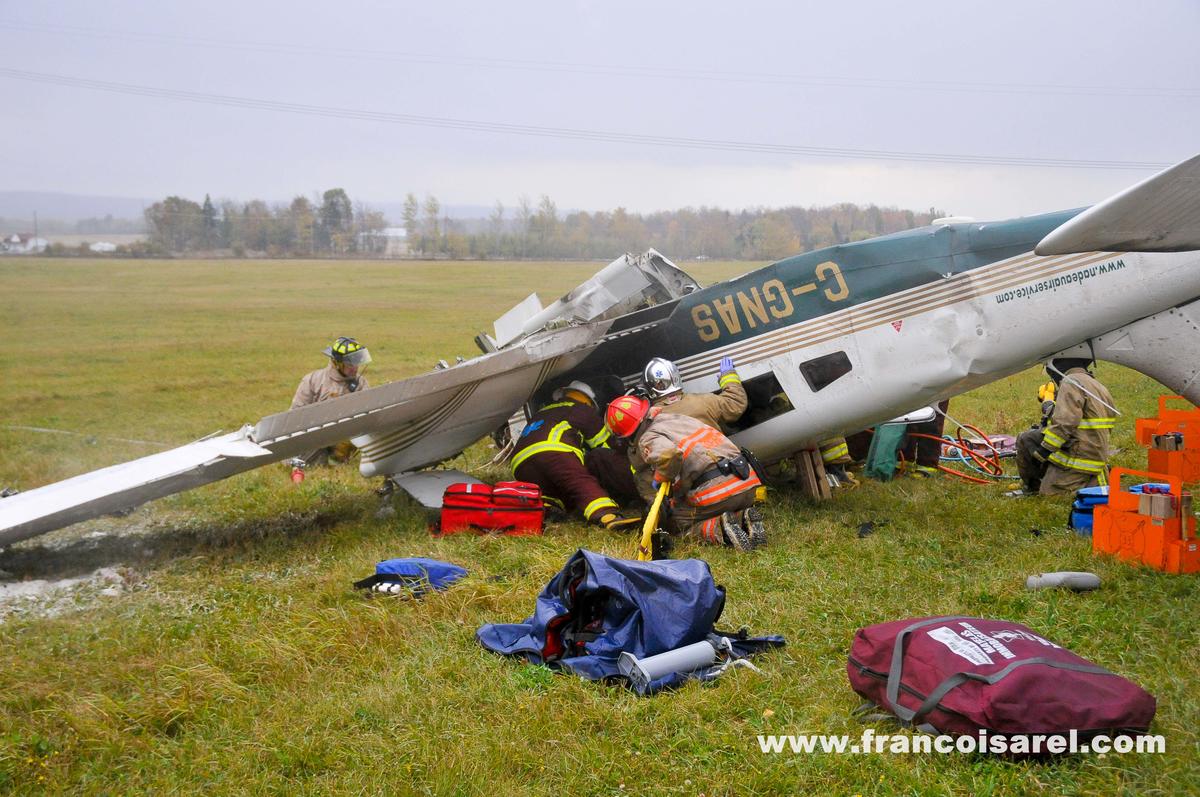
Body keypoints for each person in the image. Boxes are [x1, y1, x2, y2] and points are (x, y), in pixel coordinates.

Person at [605, 394, 765, 551]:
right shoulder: (677, 418)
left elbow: (669, 455)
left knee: (677, 524)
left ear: (626, 436)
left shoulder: (647, 437)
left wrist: (661, 478)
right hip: (747, 481)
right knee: (709, 503)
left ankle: (721, 527)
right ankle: (744, 516)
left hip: (717, 492)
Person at [511, 381, 640, 530]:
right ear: (589, 401)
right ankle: (607, 515)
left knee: (552, 488)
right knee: (579, 481)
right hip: (553, 453)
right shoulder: (581, 409)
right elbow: (605, 445)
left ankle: (545, 506)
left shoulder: (543, 411)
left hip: (519, 464)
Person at [1013, 358, 1117, 496]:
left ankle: (1038, 486)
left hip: (1079, 454)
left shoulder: (1071, 382)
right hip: (1095, 449)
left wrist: (1043, 451)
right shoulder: (1095, 384)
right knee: (1028, 438)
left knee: (1050, 494)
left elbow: (1065, 423)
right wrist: (1049, 405)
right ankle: (1092, 476)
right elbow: (1078, 415)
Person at [290, 336, 373, 465]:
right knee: (309, 465)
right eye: (350, 363)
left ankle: (339, 461)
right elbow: (295, 417)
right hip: (314, 438)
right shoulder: (313, 380)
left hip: (344, 441)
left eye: (357, 361)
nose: (355, 367)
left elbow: (368, 416)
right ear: (337, 363)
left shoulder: (361, 383)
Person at [642, 356, 748, 431]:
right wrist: (728, 377)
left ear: (649, 387)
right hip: (718, 460)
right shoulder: (703, 401)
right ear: (676, 377)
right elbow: (735, 404)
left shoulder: (650, 421)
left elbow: (639, 457)